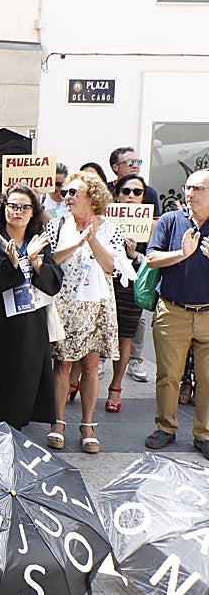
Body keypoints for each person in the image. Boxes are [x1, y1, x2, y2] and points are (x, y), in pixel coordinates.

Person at [45, 169, 122, 454]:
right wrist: (76, 242)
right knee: (62, 363)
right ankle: (58, 422)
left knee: (90, 365)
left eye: (73, 192)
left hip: (96, 306)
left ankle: (88, 425)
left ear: (92, 196)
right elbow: (50, 260)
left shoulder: (110, 228)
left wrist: (91, 239)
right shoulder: (56, 226)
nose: (67, 197)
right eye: (65, 192)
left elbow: (111, 266)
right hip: (64, 303)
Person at [0, 184, 62, 430]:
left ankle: (16, 430)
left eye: (25, 207)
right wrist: (11, 265)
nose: (18, 211)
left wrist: (36, 262)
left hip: (30, 324)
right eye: (13, 206)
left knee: (24, 381)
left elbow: (54, 283)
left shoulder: (39, 241)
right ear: (3, 208)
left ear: (33, 212)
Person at [143, 169, 209, 456]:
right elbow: (151, 258)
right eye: (187, 187)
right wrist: (182, 254)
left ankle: (203, 434)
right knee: (169, 375)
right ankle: (166, 427)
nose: (190, 193)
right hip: (173, 311)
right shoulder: (170, 220)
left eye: (198, 188)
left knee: (208, 378)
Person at [106, 173, 149, 412]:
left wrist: (135, 256)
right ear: (117, 195)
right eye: (126, 191)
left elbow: (154, 259)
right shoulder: (105, 221)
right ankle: (77, 381)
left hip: (131, 286)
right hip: (106, 281)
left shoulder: (150, 224)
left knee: (125, 336)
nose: (131, 196)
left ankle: (115, 386)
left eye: (137, 192)